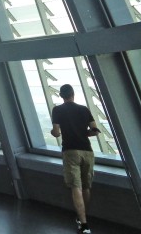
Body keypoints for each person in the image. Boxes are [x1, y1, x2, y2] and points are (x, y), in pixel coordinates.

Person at [51, 84, 100, 234]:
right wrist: (83, 133)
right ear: (73, 94)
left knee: (75, 187)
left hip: (70, 151)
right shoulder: (84, 109)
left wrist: (54, 132)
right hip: (87, 151)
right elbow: (95, 131)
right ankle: (82, 217)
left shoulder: (57, 110)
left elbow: (57, 133)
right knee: (86, 186)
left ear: (61, 95)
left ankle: (83, 224)